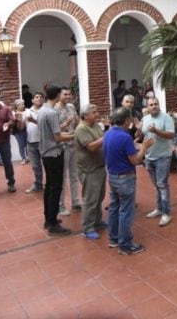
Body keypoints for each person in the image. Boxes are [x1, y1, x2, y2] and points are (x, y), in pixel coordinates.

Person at [105, 107, 154, 255]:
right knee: (126, 210)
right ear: (126, 121)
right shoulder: (124, 137)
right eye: (131, 119)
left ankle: (113, 238)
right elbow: (135, 160)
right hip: (125, 178)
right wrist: (144, 148)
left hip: (112, 176)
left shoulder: (108, 133)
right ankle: (125, 244)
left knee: (114, 207)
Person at [37, 85, 76, 235]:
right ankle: (53, 224)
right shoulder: (52, 113)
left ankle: (48, 219)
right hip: (54, 153)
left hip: (45, 153)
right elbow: (58, 137)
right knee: (55, 188)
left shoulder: (42, 110)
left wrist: (68, 131)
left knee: (49, 188)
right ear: (57, 95)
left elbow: (54, 132)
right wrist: (74, 135)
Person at [73, 104, 107, 240]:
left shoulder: (96, 125)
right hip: (89, 169)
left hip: (99, 166)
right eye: (94, 112)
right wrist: (106, 137)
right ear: (85, 115)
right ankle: (88, 227)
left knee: (99, 197)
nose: (97, 114)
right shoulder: (81, 129)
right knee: (90, 199)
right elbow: (91, 147)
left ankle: (97, 221)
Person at [142, 97, 176, 227]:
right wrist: (138, 131)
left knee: (162, 184)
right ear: (147, 107)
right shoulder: (145, 119)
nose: (154, 106)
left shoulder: (166, 118)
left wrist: (156, 131)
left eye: (156, 104)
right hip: (149, 157)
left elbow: (171, 135)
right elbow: (143, 134)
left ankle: (166, 213)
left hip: (163, 156)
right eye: (151, 104)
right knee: (156, 185)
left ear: (159, 105)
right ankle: (159, 208)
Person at [55, 88, 81, 216]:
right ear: (59, 95)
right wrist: (66, 123)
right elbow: (54, 130)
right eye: (65, 94)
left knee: (74, 174)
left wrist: (76, 122)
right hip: (62, 145)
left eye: (69, 94)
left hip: (73, 143)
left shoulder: (71, 107)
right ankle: (60, 205)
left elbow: (77, 124)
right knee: (62, 176)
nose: (68, 96)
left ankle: (75, 202)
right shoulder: (54, 109)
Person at [24, 92, 45, 193]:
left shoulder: (46, 111)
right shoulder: (27, 111)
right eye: (36, 97)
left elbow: (45, 125)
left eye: (41, 97)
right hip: (31, 141)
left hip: (43, 141)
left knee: (47, 164)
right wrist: (19, 121)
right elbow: (22, 126)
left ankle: (50, 184)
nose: (39, 99)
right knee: (35, 165)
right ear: (32, 100)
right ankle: (38, 184)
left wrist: (33, 120)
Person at [11, 99, 28, 164]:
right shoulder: (13, 113)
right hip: (17, 131)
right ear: (17, 106)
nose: (23, 106)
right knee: (21, 144)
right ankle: (23, 158)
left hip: (25, 130)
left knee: (27, 144)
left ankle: (29, 156)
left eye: (23, 104)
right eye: (22, 104)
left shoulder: (26, 112)